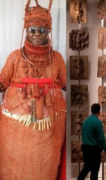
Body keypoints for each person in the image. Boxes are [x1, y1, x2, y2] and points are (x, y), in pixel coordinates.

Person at [0, 1, 66, 179]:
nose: (37, 34)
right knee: (13, 159)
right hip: (15, 122)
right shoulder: (15, 57)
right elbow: (3, 81)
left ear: (48, 31)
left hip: (49, 122)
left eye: (42, 30)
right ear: (26, 31)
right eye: (32, 30)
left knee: (45, 163)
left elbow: (66, 83)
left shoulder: (57, 59)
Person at [78, 104, 106, 180]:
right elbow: (101, 138)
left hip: (85, 147)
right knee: (94, 170)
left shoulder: (85, 121)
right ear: (99, 111)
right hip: (94, 149)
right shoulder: (97, 122)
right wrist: (105, 150)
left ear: (91, 110)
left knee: (86, 168)